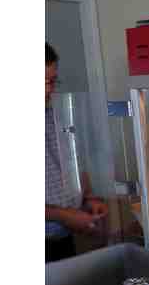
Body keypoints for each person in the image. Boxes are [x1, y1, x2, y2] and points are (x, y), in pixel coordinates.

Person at [46, 43, 108, 262]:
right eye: (43, 82)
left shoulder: (54, 115)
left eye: (52, 81)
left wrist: (89, 198)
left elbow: (72, 161)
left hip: (63, 237)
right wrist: (63, 215)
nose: (49, 90)